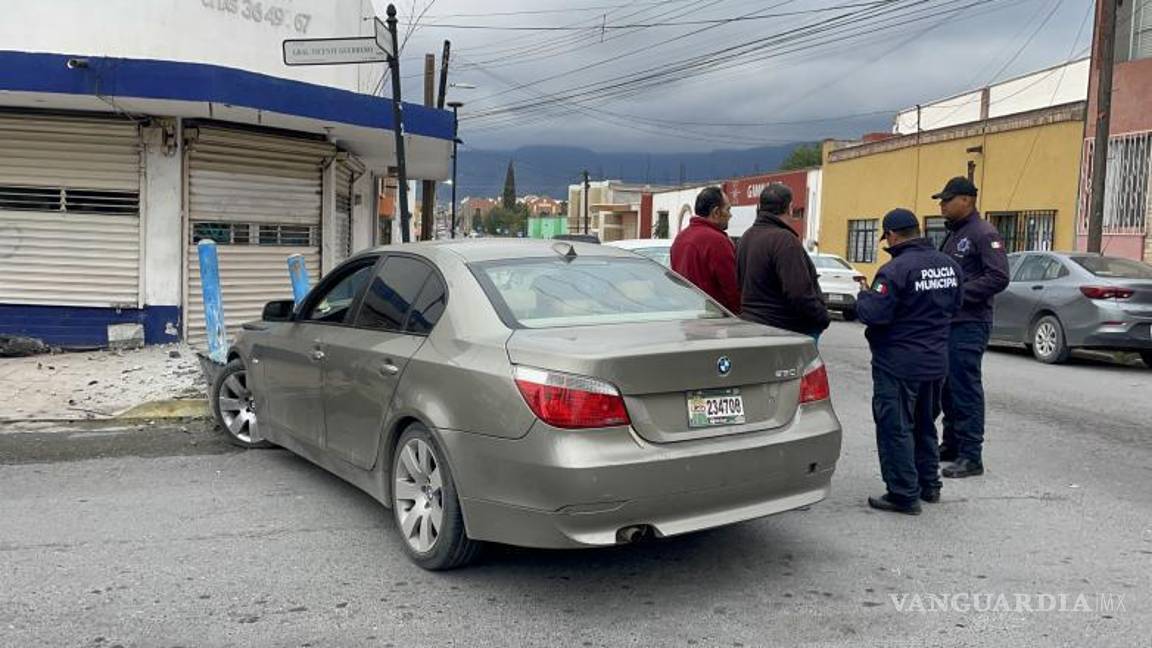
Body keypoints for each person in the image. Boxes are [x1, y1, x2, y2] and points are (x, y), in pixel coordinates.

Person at [857, 209, 964, 515]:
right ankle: (929, 485)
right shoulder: (950, 266)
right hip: (935, 362)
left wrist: (864, 295)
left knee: (896, 426)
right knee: (925, 425)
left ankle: (903, 493)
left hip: (898, 363)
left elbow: (874, 314)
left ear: (891, 235)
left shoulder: (895, 270)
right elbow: (956, 307)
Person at [934, 177, 1010, 479]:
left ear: (966, 200)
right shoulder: (955, 233)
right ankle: (951, 444)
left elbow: (998, 277)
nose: (942, 205)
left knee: (965, 387)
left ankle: (971, 455)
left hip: (970, 322)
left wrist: (959, 295)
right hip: (949, 322)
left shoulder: (983, 233)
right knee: (948, 387)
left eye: (947, 199)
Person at [736, 183, 830, 339]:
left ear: (760, 207)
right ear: (790, 208)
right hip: (784, 329)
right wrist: (822, 318)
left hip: (752, 324)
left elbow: (740, 281)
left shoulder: (746, 237)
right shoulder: (785, 241)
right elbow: (799, 292)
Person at [670, 186, 741, 313]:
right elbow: (732, 288)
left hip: (685, 316)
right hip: (713, 318)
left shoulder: (680, 238)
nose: (730, 215)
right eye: (728, 209)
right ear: (716, 212)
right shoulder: (717, 241)